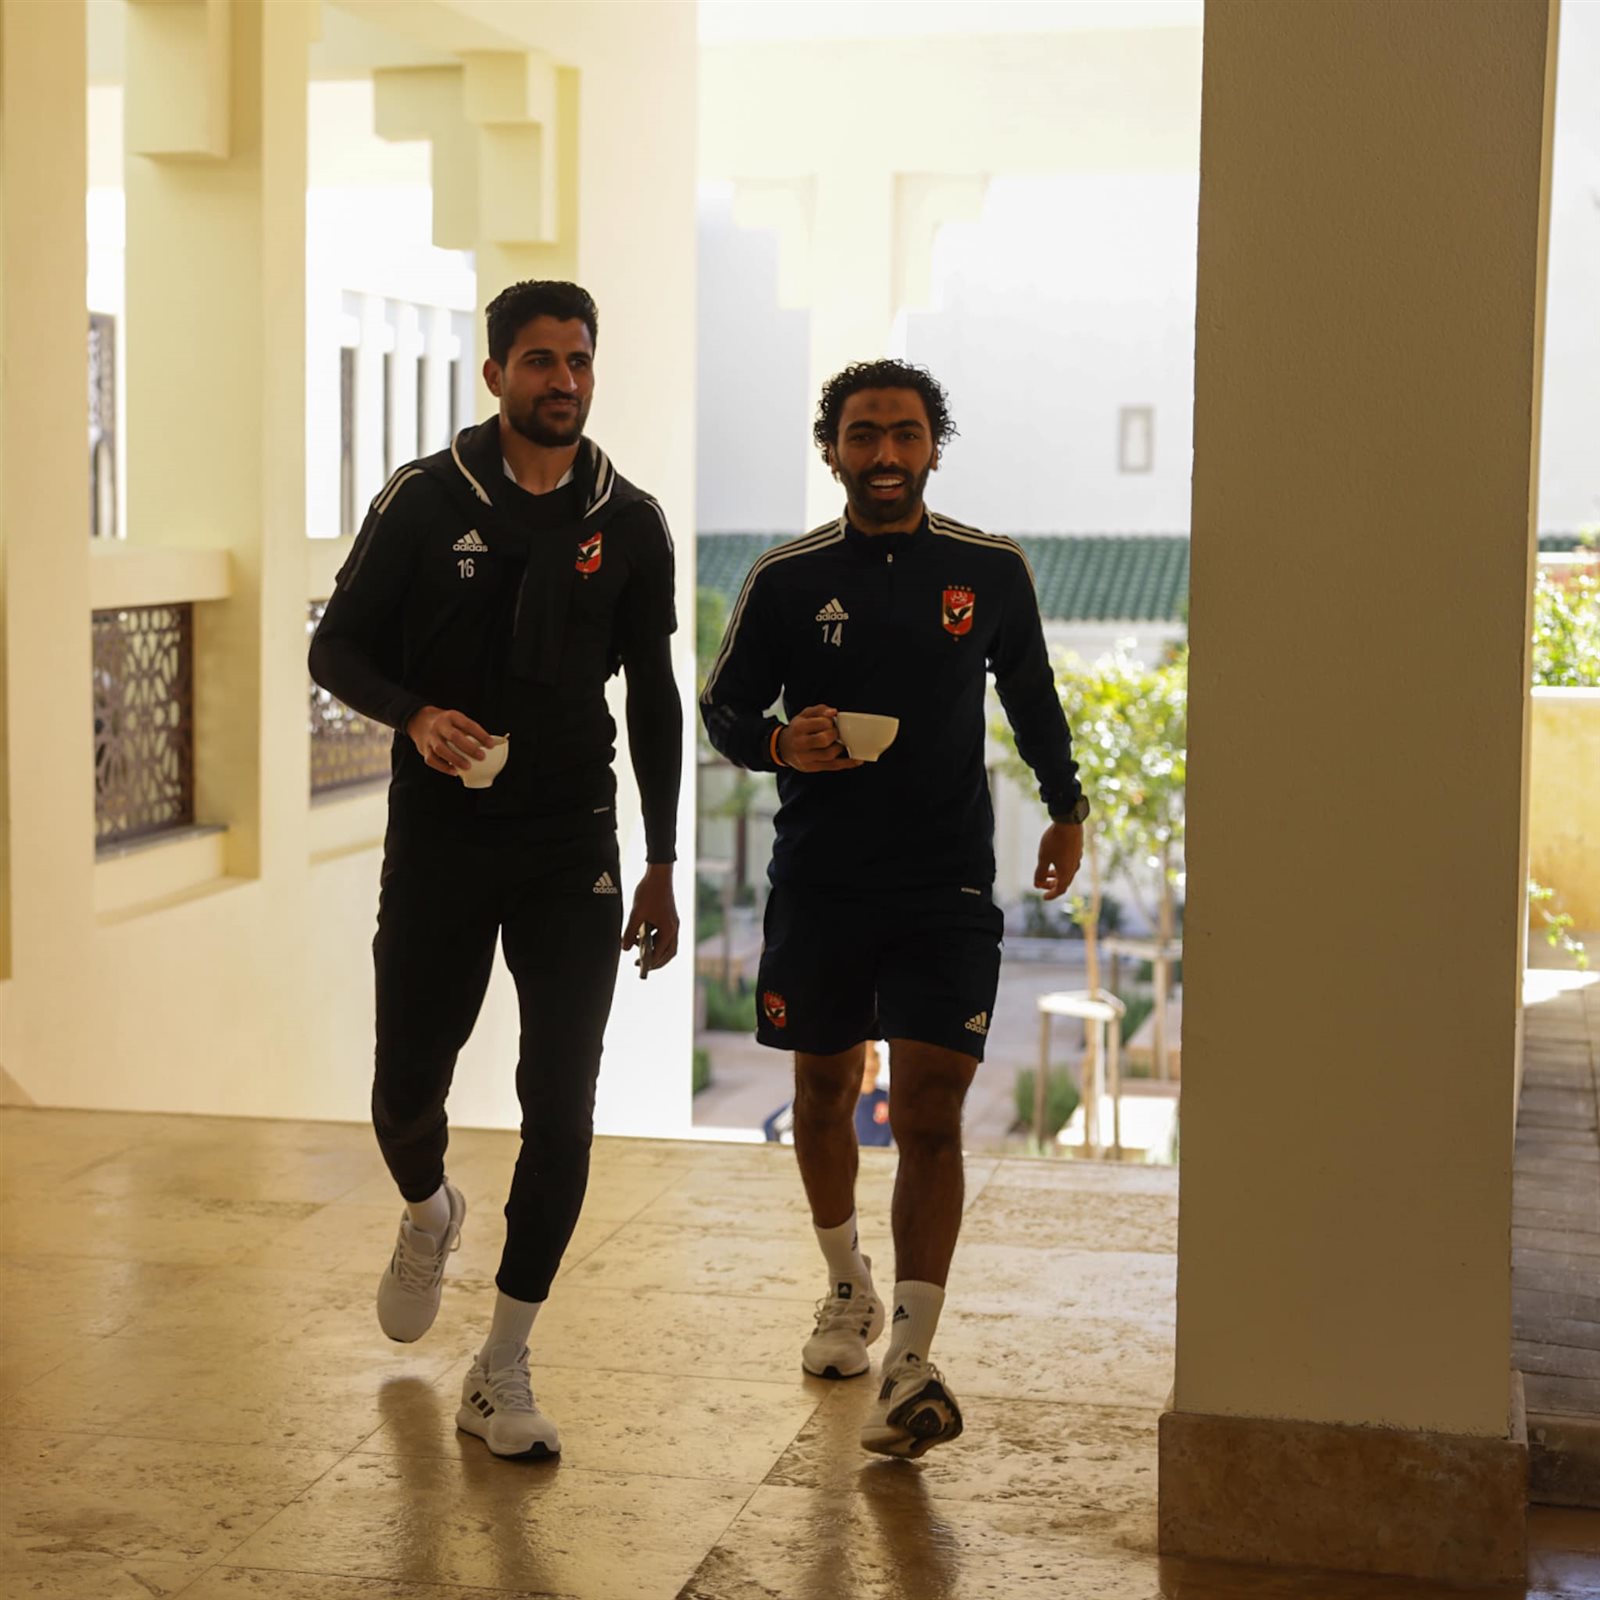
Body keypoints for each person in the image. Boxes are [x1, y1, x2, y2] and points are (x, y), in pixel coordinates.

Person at [309, 280, 682, 1461]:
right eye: (538, 360)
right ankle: (429, 1211)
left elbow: (656, 698)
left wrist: (662, 858)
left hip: (572, 842)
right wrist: (415, 714)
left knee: (561, 1103)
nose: (562, 380)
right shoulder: (425, 500)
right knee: (404, 1088)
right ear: (495, 375)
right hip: (442, 834)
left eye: (578, 360)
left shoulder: (631, 521)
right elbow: (334, 646)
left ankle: (503, 1363)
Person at [699, 359, 1086, 1458]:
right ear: (832, 450)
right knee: (823, 1095)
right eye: (863, 434)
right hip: (820, 881)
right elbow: (725, 708)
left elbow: (1032, 697)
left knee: (929, 1111)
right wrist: (782, 743)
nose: (884, 453)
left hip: (945, 885)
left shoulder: (988, 569)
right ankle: (846, 1288)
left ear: (932, 448)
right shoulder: (784, 578)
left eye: (904, 433)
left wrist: (1066, 808)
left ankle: (911, 1361)